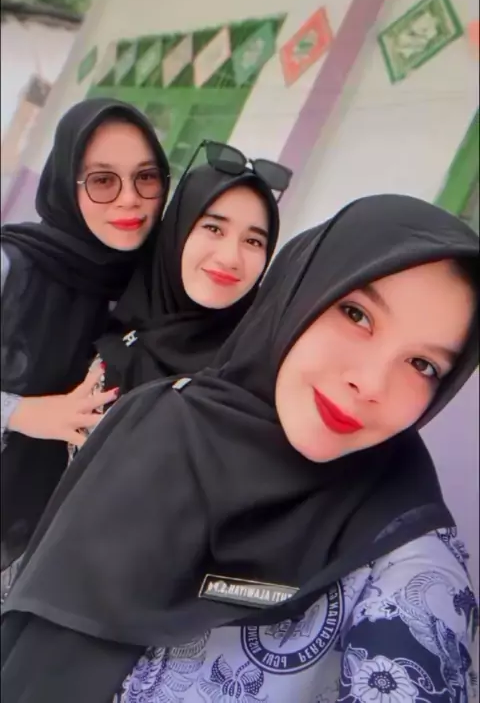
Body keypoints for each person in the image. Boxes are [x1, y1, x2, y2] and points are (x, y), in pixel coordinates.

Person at [1, 194, 478, 703]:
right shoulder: (154, 418)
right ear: (299, 290)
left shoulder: (410, 570)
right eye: (356, 314)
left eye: (423, 365)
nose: (371, 383)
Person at [0, 97, 170, 576]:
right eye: (102, 180)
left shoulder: (153, 292)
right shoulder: (12, 265)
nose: (129, 198)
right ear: (66, 183)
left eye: (146, 177)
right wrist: (23, 412)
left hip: (58, 562)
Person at [95, 161, 280, 397]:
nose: (230, 258)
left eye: (253, 241)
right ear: (177, 229)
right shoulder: (93, 314)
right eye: (214, 229)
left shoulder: (260, 375)